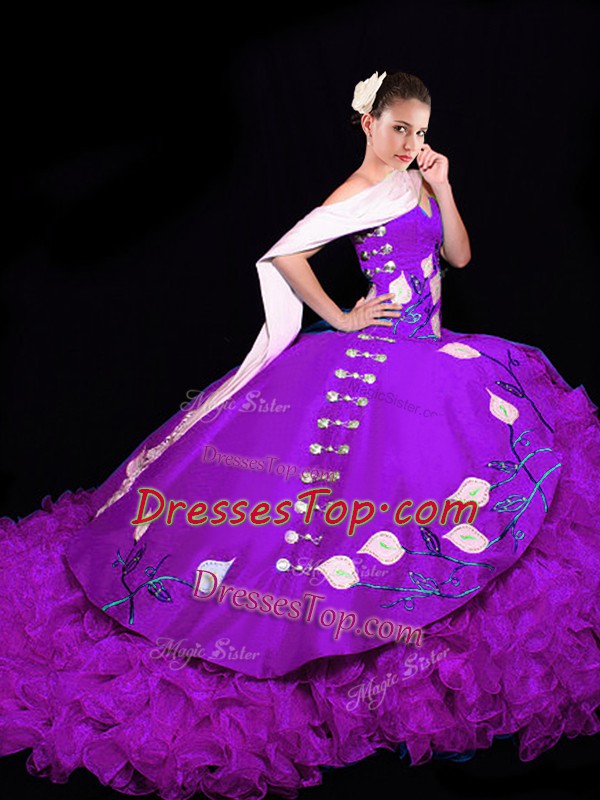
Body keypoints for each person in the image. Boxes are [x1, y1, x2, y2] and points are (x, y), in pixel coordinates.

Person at [1, 69, 599, 800]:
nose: (409, 142)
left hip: (433, 350)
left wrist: (443, 187)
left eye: (419, 130)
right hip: (383, 356)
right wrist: (343, 318)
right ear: (368, 123)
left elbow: (459, 257)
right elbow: (285, 254)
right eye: (398, 128)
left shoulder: (417, 178)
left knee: (471, 470)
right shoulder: (356, 192)